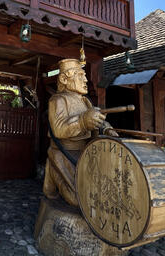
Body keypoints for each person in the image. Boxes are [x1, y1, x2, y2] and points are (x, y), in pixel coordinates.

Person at [43, 59, 117, 207]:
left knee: (98, 193)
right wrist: (83, 122)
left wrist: (105, 128)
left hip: (85, 153)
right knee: (78, 200)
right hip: (64, 154)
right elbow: (58, 129)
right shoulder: (57, 100)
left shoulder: (86, 102)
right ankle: (53, 171)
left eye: (85, 76)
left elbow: (95, 123)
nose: (86, 80)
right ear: (64, 79)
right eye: (80, 75)